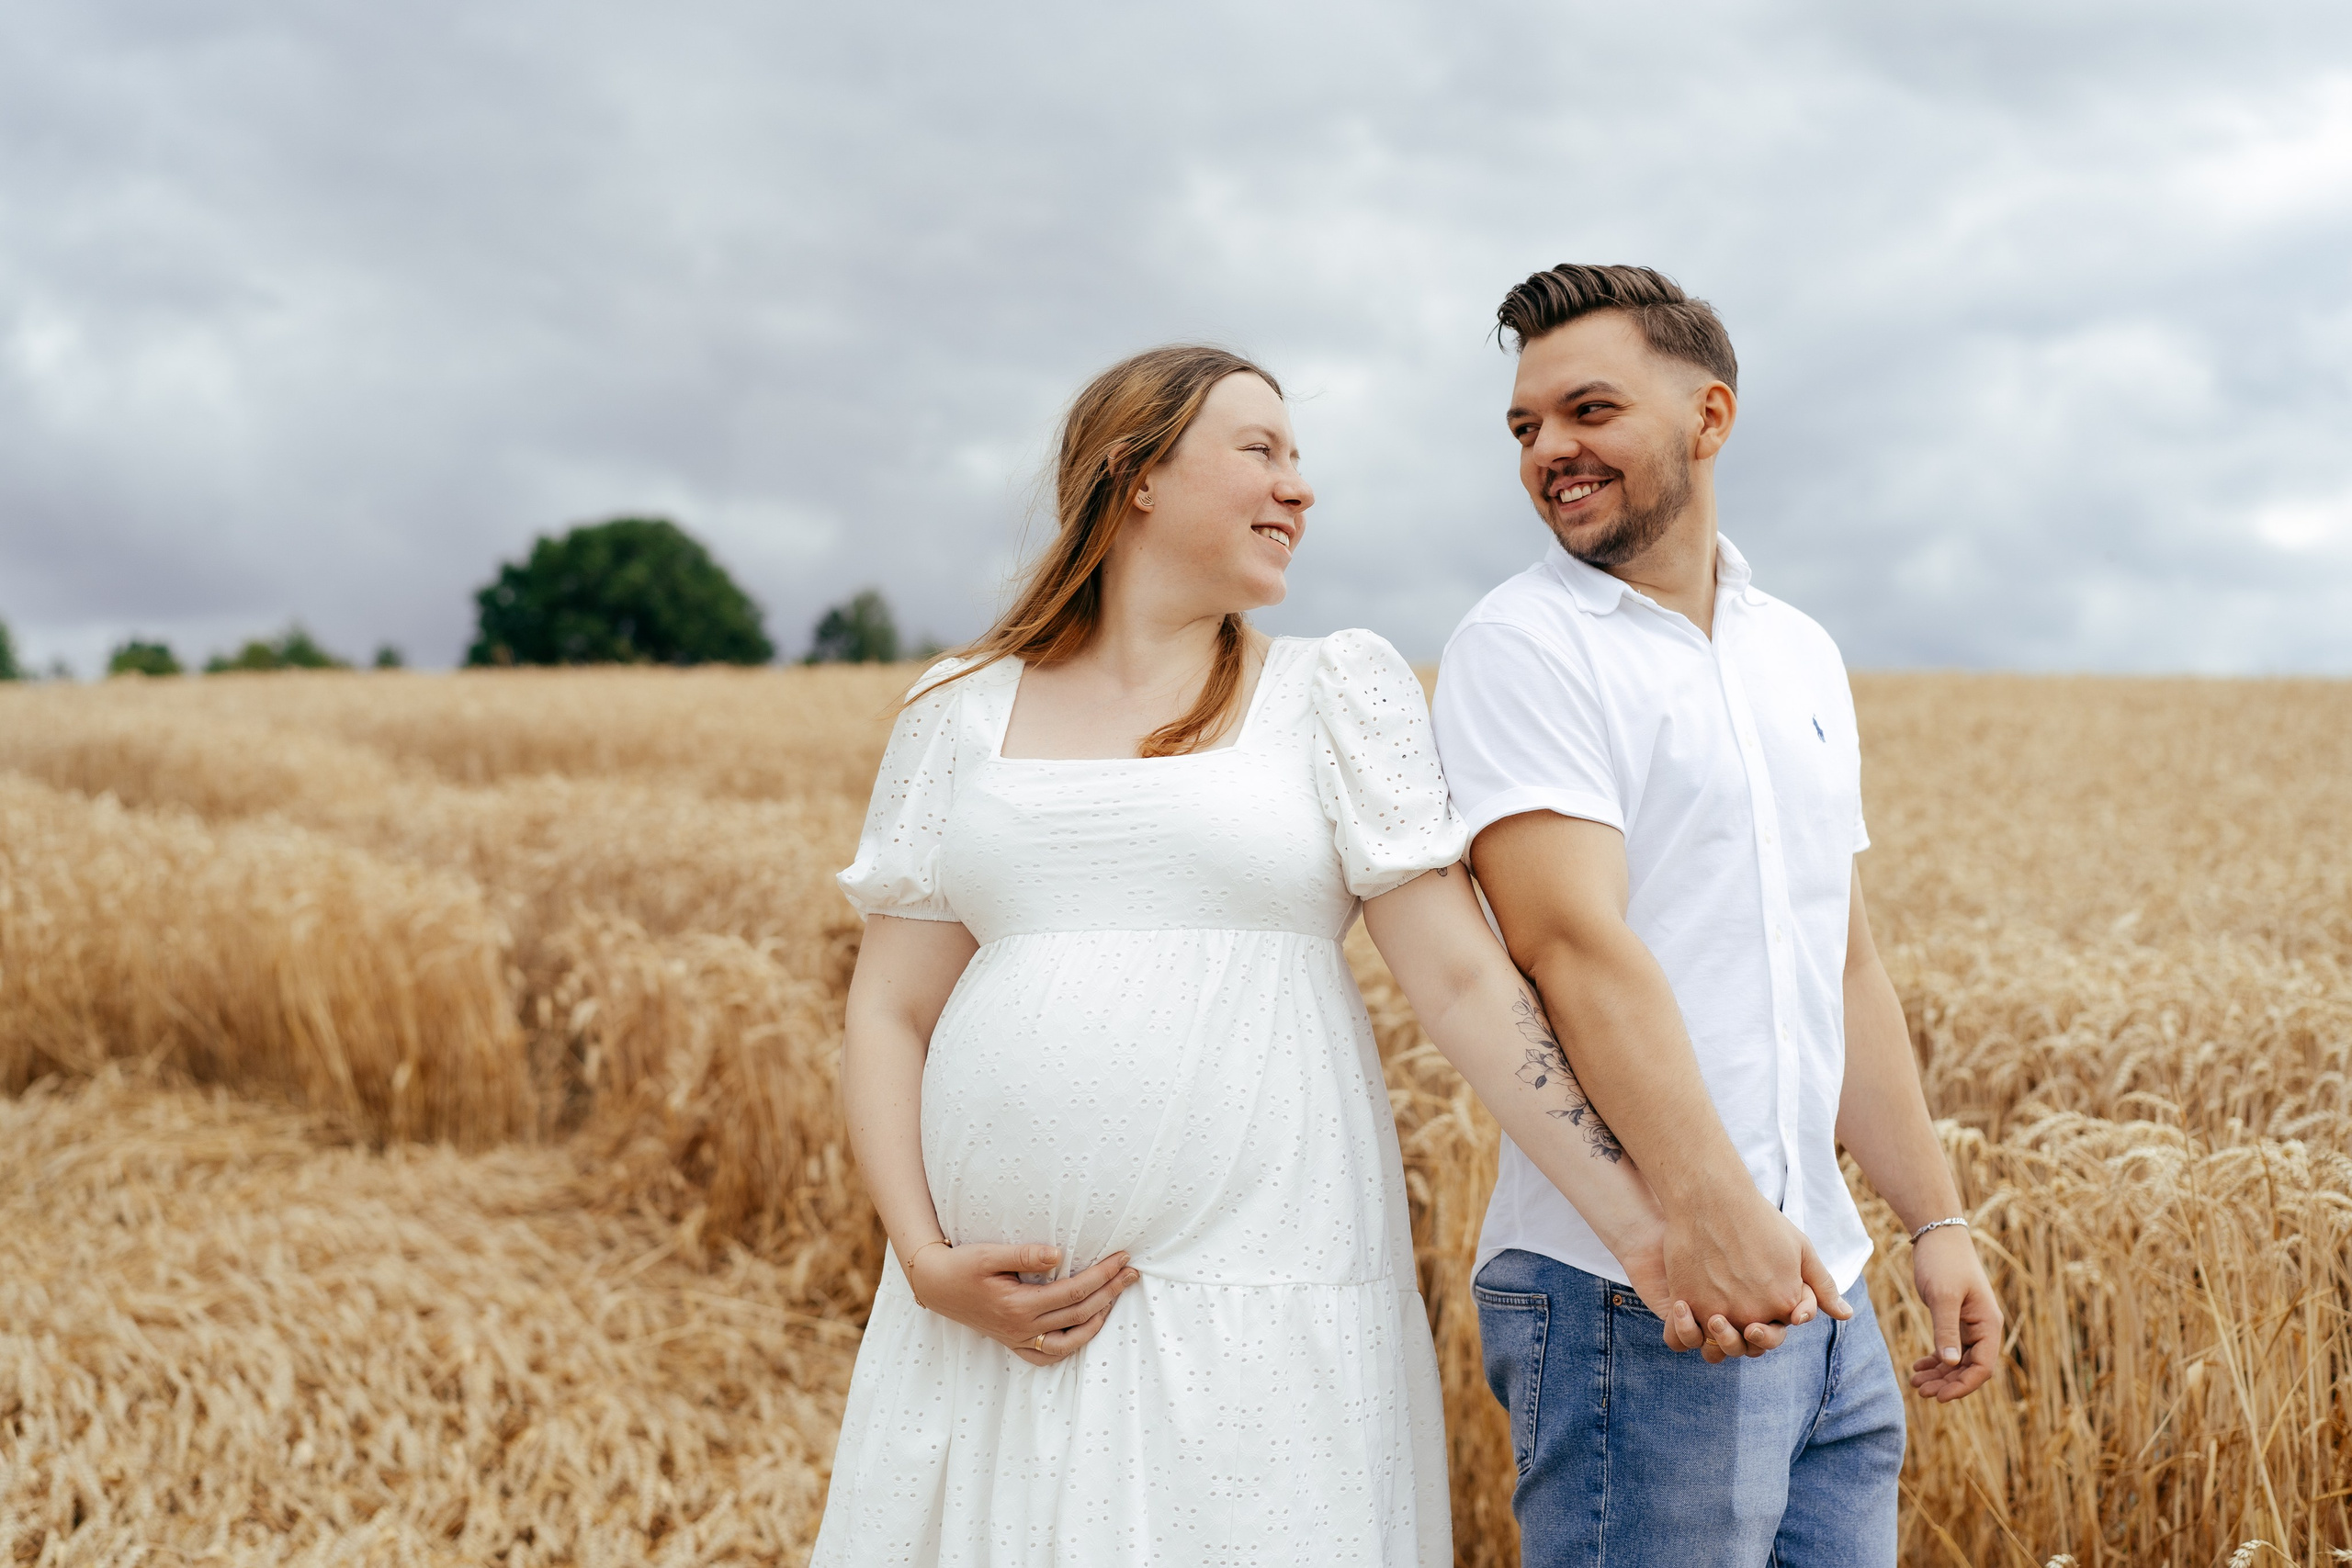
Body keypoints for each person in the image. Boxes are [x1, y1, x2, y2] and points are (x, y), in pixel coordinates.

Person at [809, 344, 1823, 1566]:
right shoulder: (957, 707)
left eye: (1300, 458)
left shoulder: (1333, 691)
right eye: (1261, 451)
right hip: (995, 1324)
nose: (1298, 486)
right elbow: (892, 1011)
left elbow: (1465, 984)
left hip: (1269, 1293)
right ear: (1135, 475)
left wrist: (1642, 1231)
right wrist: (925, 1262)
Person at [1433, 265, 2005, 1566]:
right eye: (1526, 427)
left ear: (1710, 416)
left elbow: (1841, 963)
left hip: (1829, 1291)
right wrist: (1712, 1219)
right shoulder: (1522, 647)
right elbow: (1570, 949)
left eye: (1589, 411)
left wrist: (1933, 1222)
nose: (1549, 450)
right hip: (1637, 1294)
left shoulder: (1795, 651)